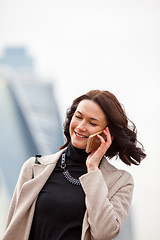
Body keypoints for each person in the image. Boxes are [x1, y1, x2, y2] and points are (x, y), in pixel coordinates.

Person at [3, 90, 146, 240]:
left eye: (92, 123)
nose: (81, 127)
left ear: (107, 134)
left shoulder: (121, 182)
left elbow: (104, 233)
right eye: (78, 117)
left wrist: (92, 169)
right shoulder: (34, 167)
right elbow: (13, 227)